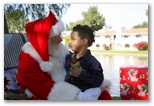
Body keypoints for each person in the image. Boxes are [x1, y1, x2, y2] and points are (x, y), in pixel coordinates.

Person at [16, 11, 80, 100]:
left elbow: (79, 61)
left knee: (102, 94)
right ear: (45, 40)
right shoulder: (27, 57)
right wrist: (77, 96)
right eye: (56, 37)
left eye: (60, 35)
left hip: (68, 86)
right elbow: (40, 87)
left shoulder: (62, 49)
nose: (60, 40)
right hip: (44, 96)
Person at [65, 24, 104, 100]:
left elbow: (98, 81)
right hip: (68, 94)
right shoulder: (68, 58)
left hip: (83, 95)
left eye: (73, 39)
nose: (70, 42)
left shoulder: (93, 63)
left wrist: (81, 74)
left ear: (84, 41)